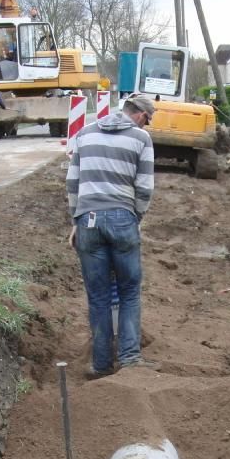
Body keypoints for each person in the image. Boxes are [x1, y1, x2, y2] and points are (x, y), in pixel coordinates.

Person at [66, 93, 157, 379]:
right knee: (129, 291)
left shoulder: (84, 134)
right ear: (141, 115)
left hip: (87, 220)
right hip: (122, 218)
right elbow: (144, 188)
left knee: (98, 296)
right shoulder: (141, 139)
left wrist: (75, 221)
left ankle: (101, 364)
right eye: (148, 120)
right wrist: (135, 218)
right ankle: (130, 358)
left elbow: (72, 182)